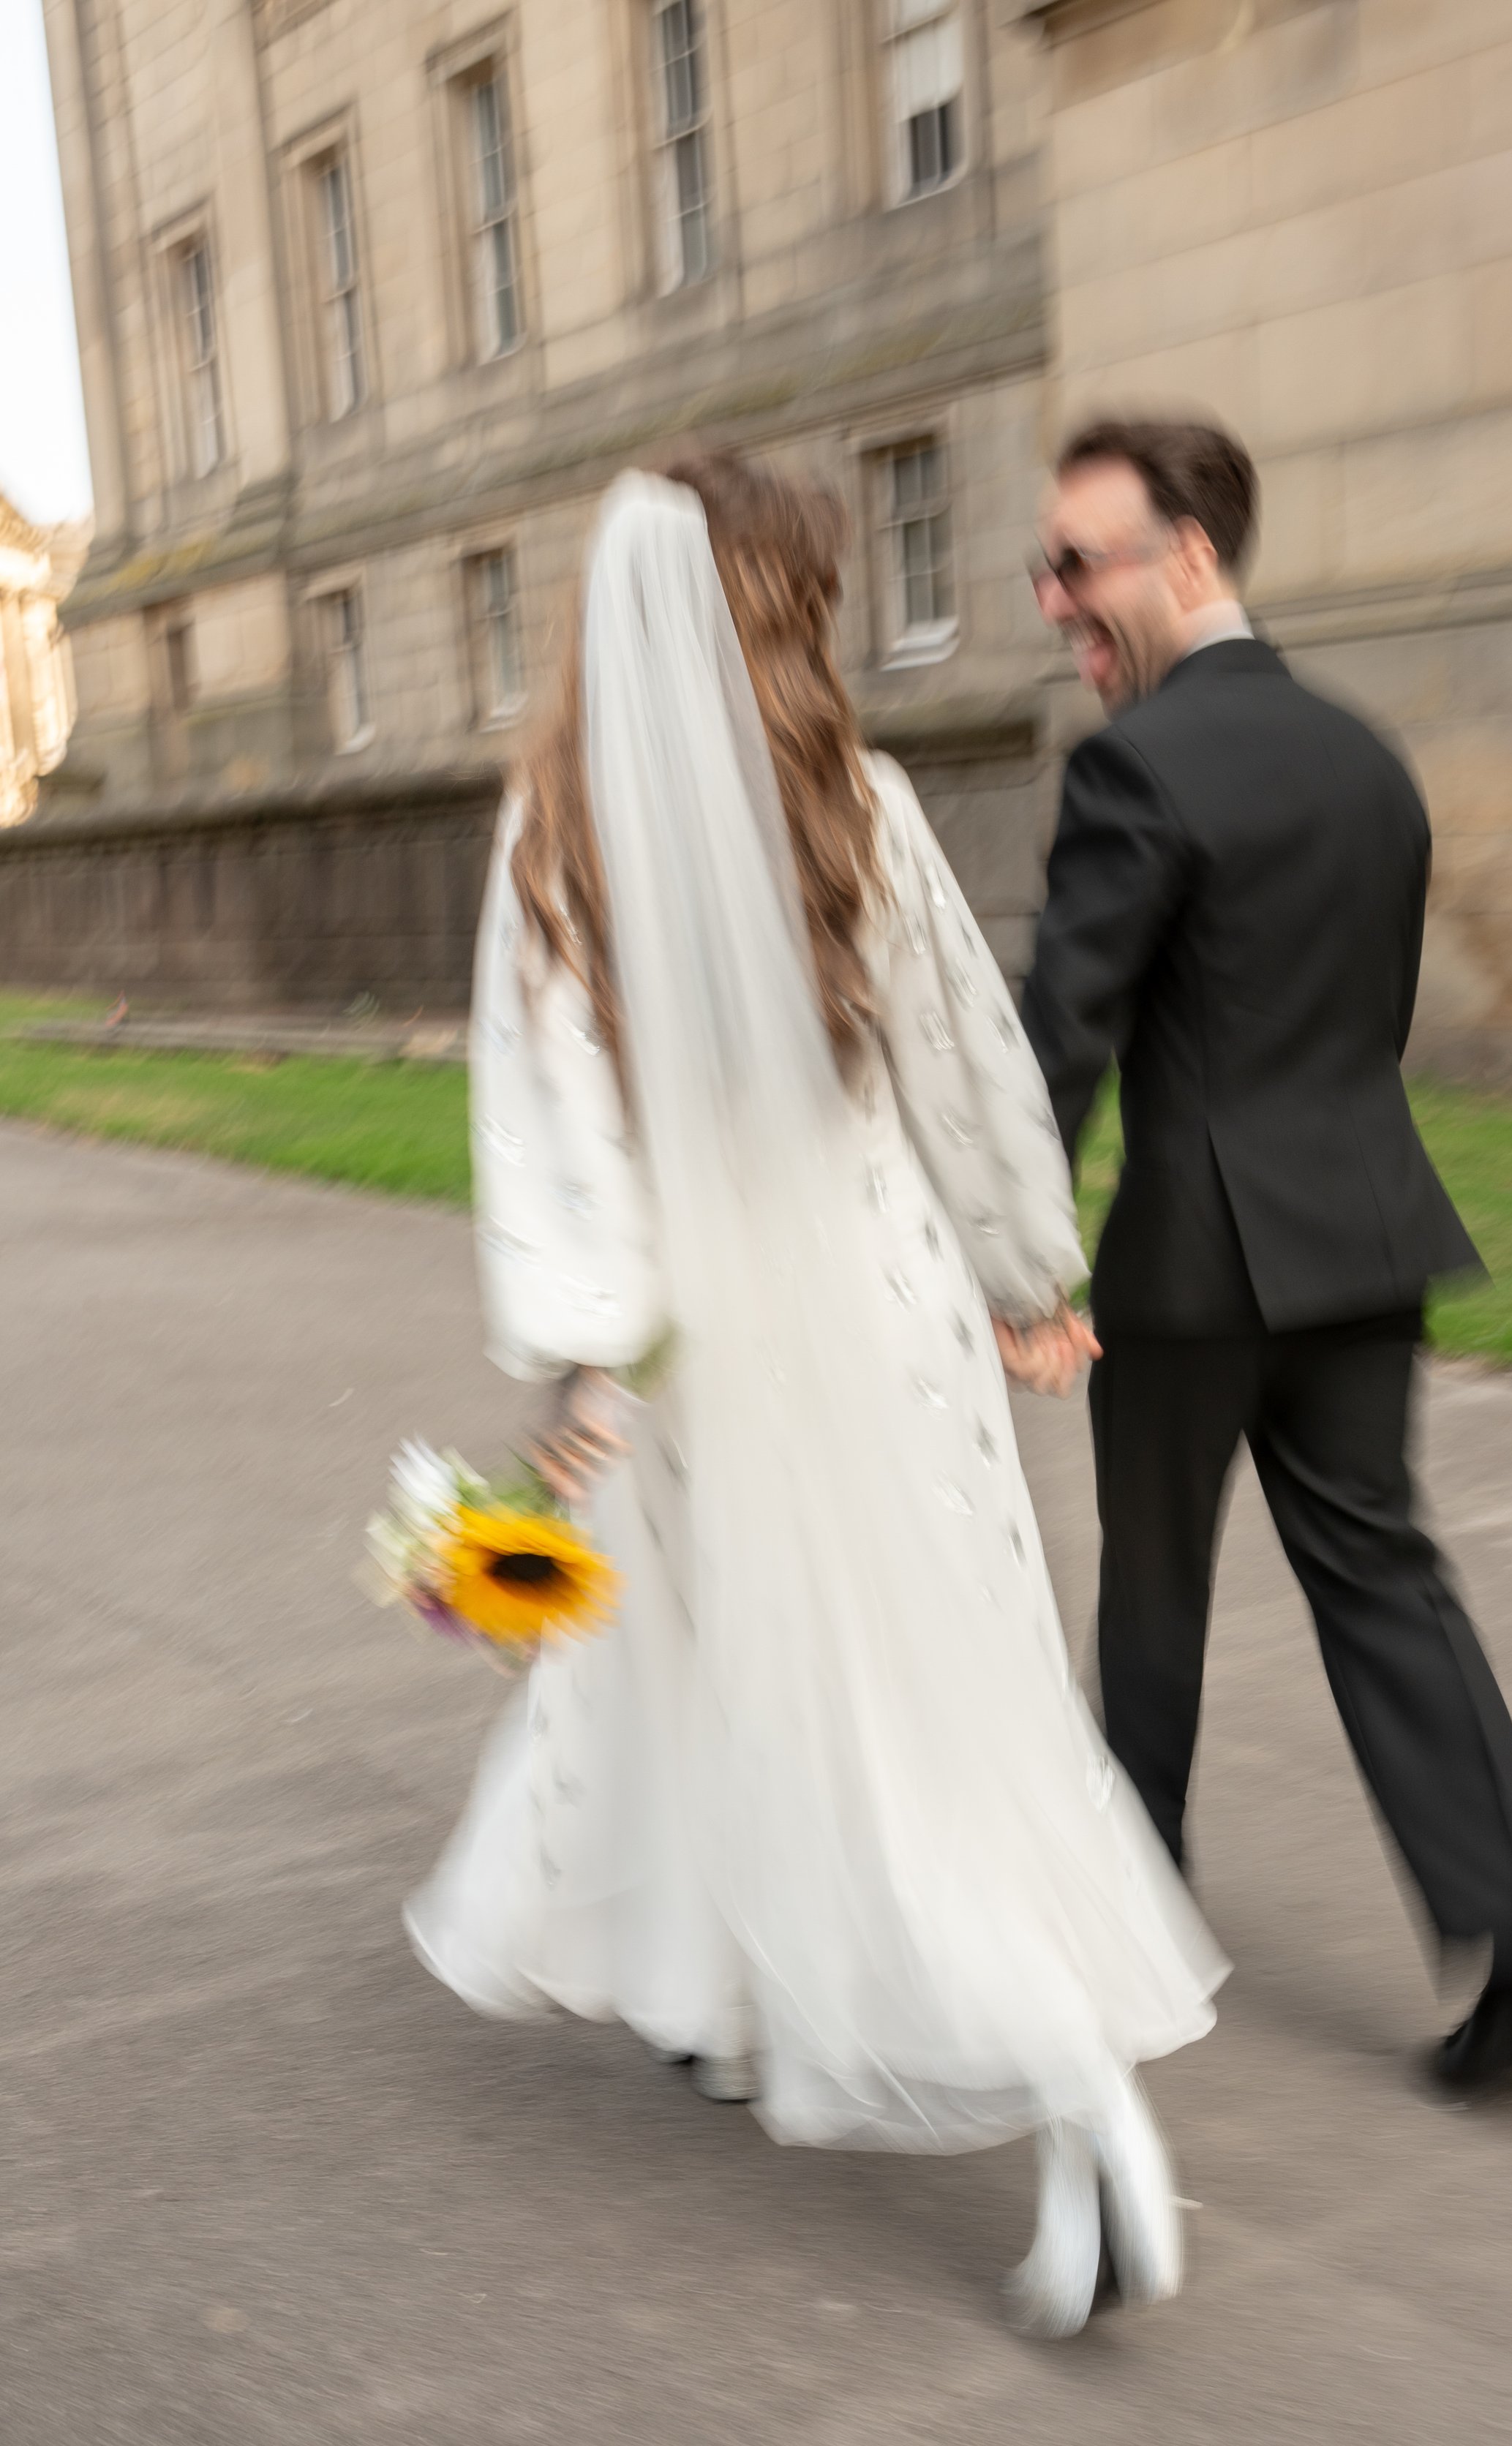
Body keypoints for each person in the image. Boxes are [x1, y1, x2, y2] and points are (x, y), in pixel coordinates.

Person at [405, 454, 1226, 2337]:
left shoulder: (557, 832)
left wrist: (592, 1367)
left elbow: (559, 1136)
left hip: (711, 1353)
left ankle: (1068, 2074)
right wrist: (1028, 1266)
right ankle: (792, 2013)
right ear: (782, 608)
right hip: (885, 1305)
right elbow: (959, 1051)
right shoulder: (855, 795)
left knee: (791, 1700)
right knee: (945, 1687)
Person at [1020, 415, 1512, 2096]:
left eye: (1080, 564)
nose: (1056, 602)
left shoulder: (1129, 769)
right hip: (1362, 1233)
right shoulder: (1367, 758)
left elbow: (1060, 1041)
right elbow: (1367, 1020)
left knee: (1153, 1600)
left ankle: (1125, 1943)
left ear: (1188, 552)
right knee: (1383, 1581)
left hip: (1194, 1263)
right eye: (1043, 570)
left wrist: (998, 1243)